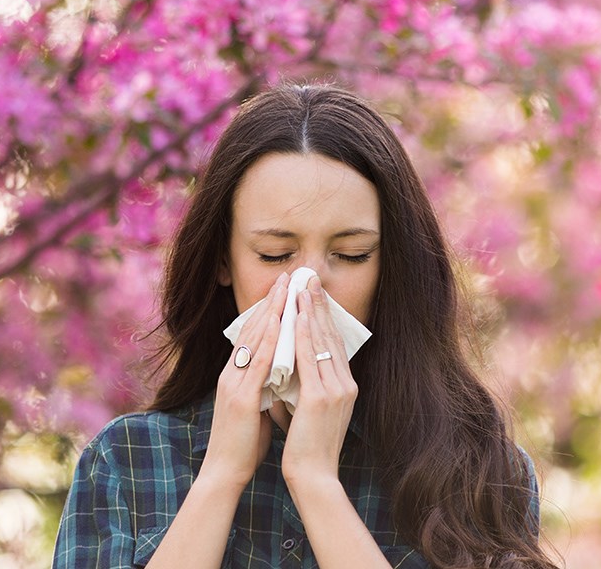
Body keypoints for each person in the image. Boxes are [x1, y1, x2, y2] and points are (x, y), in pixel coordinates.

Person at [52, 84, 557, 568]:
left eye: (351, 254)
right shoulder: (125, 462)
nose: (309, 286)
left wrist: (316, 482)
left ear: (390, 266)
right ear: (223, 261)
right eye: (275, 254)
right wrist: (221, 477)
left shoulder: (479, 473)